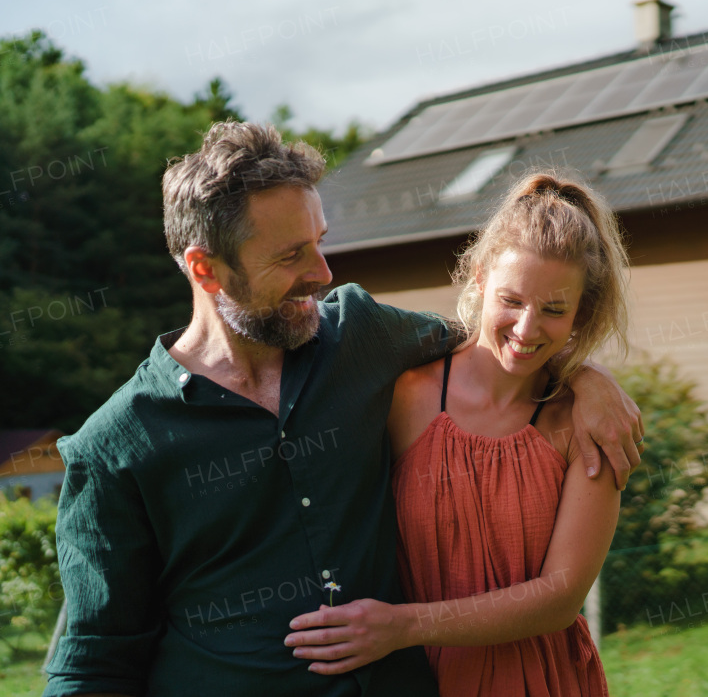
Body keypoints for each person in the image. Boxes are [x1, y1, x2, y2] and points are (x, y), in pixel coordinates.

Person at [44, 124, 642, 697]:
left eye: (320, 243)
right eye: (291, 256)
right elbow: (94, 661)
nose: (323, 274)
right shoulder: (114, 447)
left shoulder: (361, 336)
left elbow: (495, 342)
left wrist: (586, 377)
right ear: (206, 268)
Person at [286, 173, 632, 695]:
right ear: (478, 278)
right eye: (511, 300)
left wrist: (402, 626)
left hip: (540, 681)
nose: (526, 329)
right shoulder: (406, 396)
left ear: (581, 312)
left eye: (555, 310)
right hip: (411, 678)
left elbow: (560, 598)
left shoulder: (587, 425)